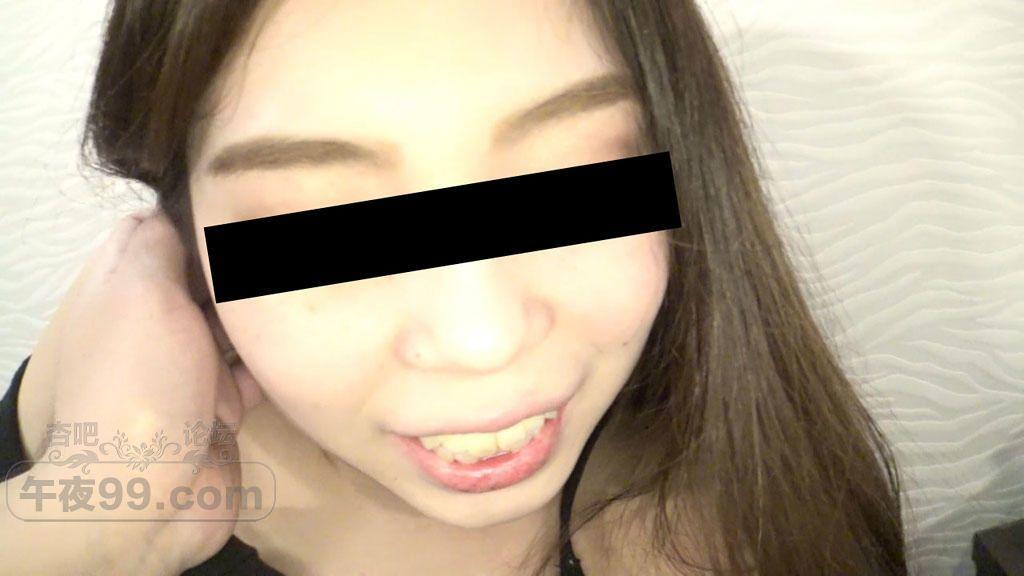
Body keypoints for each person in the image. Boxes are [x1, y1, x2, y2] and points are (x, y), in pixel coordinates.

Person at [0, 1, 910, 574]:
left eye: (572, 188)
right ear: (183, 234)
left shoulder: (764, 494)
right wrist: (89, 526)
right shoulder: (95, 449)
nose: (482, 339)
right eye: (326, 229)